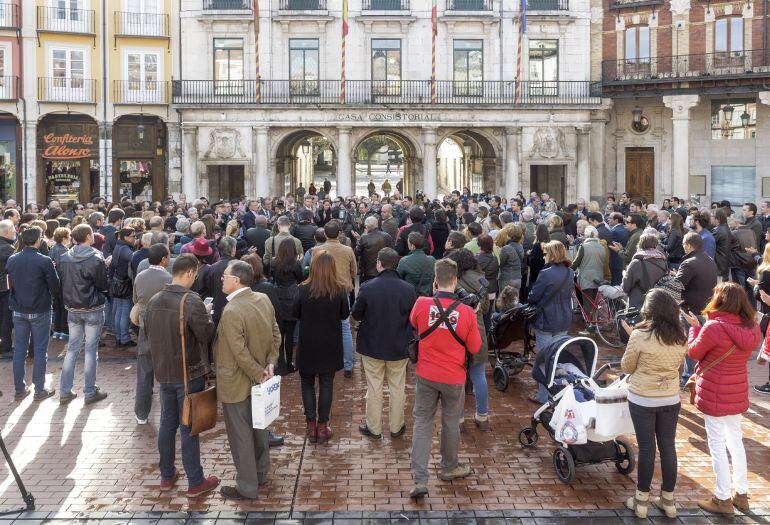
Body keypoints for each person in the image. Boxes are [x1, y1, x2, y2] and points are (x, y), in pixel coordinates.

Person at [144, 254, 220, 497]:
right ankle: (195, 481)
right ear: (189, 273)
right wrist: (207, 314)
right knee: (189, 427)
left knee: (167, 424)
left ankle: (167, 475)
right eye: (195, 275)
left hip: (164, 371)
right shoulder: (190, 301)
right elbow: (206, 334)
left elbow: (146, 332)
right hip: (189, 373)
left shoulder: (154, 300)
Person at [684, 282, 760, 515]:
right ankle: (742, 494)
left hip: (714, 391)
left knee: (717, 444)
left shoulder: (714, 327)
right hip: (736, 391)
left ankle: (722, 497)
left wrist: (694, 329)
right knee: (735, 442)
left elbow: (694, 352)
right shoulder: (752, 328)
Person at [408, 258, 482, 500]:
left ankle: (419, 479)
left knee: (422, 422)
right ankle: (449, 467)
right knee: (450, 422)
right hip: (454, 377)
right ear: (456, 280)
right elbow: (475, 346)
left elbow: (415, 324)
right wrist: (473, 318)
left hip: (426, 374)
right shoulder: (467, 312)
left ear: (435, 281)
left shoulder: (421, 303)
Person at [214, 261, 281, 501]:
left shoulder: (232, 310)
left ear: (237, 280)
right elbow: (276, 332)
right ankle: (260, 473)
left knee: (241, 434)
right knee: (259, 428)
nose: (222, 278)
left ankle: (247, 486)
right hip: (259, 377)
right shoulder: (262, 299)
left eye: (225, 275)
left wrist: (260, 372)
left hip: (237, 381)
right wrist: (270, 364)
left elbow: (238, 351)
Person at [620, 290, 688, 519]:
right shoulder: (680, 336)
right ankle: (668, 500)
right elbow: (679, 366)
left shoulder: (640, 335)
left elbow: (627, 367)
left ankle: (641, 501)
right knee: (668, 447)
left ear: (649, 311)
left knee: (647, 448)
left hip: (643, 398)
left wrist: (632, 337)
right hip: (670, 397)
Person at [353, 247, 417, 439]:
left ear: (379, 263)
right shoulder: (408, 289)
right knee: (398, 387)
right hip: (399, 345)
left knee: (374, 387)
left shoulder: (367, 287)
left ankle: (374, 428)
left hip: (372, 345)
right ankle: (396, 427)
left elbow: (356, 314)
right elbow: (413, 318)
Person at [293, 252, 349, 444]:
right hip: (330, 344)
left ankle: (310, 424)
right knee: (327, 383)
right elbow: (344, 314)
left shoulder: (302, 289)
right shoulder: (339, 290)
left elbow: (295, 313)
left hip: (308, 342)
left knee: (307, 383)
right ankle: (323, 425)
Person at [58, 224, 109, 405]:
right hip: (92, 308)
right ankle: (89, 391)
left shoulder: (65, 257)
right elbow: (103, 285)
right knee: (89, 351)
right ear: (88, 236)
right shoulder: (96, 258)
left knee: (72, 349)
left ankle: (65, 391)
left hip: (73, 308)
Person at [7, 226, 60, 401]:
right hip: (40, 309)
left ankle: (19, 388)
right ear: (38, 240)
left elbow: (11, 283)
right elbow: (55, 286)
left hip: (20, 309)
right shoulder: (44, 260)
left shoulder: (13, 259)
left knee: (20, 350)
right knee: (39, 350)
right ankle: (39, 390)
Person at [527, 241, 574, 403]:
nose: (544, 256)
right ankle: (557, 391)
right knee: (557, 358)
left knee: (544, 359)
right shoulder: (570, 272)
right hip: (564, 319)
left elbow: (533, 297)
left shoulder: (546, 273)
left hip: (547, 320)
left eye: (546, 253)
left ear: (552, 255)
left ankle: (543, 396)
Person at [132, 243, 172, 424]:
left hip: (144, 328)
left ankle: (141, 413)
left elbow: (135, 300)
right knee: (167, 373)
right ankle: (168, 412)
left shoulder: (140, 276)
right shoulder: (168, 278)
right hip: (164, 329)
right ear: (164, 259)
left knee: (144, 373)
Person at [310, 221, 357, 377]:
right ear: (339, 234)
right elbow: (354, 271)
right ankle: (348, 365)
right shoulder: (348, 250)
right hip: (342, 291)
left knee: (320, 327)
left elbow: (312, 271)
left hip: (321, 291)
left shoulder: (316, 250)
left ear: (324, 235)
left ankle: (321, 361)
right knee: (345, 328)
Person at [675, 232, 719, 384]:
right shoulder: (709, 260)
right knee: (703, 344)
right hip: (706, 308)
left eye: (683, 246)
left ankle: (689, 376)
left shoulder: (689, 263)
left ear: (688, 245)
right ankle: (701, 375)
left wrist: (674, 278)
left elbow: (677, 286)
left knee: (692, 343)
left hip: (691, 310)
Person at [271, 238, 304, 374]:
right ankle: (289, 362)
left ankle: (280, 364)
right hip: (291, 297)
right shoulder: (295, 264)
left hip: (277, 296)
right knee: (289, 333)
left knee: (279, 333)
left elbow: (271, 276)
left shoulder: (274, 262)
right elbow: (300, 279)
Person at [621, 233, 668, 310]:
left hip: (639, 306)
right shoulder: (663, 261)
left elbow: (625, 287)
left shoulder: (636, 262)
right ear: (656, 245)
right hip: (657, 304)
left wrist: (624, 274)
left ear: (640, 244)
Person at [109, 227, 137, 347]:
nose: (135, 238)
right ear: (126, 237)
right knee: (124, 311)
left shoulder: (118, 245)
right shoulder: (125, 248)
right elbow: (133, 259)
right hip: (124, 284)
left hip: (117, 282)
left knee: (119, 311)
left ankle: (119, 336)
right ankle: (124, 338)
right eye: (133, 236)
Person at [572, 225, 607, 317]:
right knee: (595, 301)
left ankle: (590, 324)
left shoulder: (583, 247)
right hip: (598, 277)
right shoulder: (602, 247)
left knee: (588, 303)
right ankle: (595, 320)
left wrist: (569, 269)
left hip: (586, 279)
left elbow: (576, 263)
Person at [354, 216, 394, 284]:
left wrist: (358, 240)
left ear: (366, 226)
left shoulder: (364, 238)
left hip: (368, 272)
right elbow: (392, 251)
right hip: (384, 270)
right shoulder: (387, 236)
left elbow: (356, 252)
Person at [396, 232, 435, 297]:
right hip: (427, 297)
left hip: (409, 296)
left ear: (413, 246)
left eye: (408, 243)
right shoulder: (432, 260)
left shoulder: (404, 261)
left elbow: (397, 279)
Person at [0, 219, 15, 359]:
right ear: (7, 232)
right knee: (6, 318)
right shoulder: (8, 248)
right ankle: (5, 348)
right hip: (4, 288)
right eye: (14, 231)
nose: (15, 233)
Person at [498, 224, 524, 293]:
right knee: (514, 301)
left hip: (507, 278)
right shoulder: (521, 246)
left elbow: (500, 263)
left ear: (509, 236)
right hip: (518, 278)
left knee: (504, 301)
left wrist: (499, 253)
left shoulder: (506, 248)